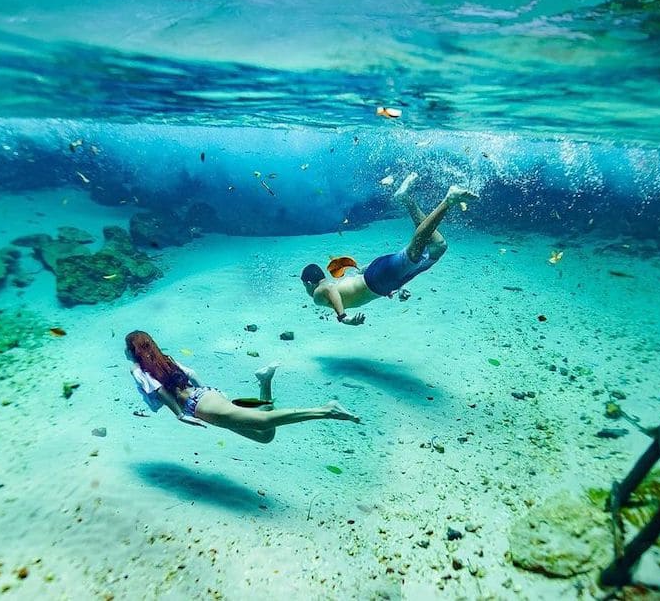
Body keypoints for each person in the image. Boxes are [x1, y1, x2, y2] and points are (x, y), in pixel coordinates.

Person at [124, 330, 359, 443]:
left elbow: (159, 390)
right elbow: (192, 374)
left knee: (264, 422)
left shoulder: (137, 370)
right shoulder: (165, 358)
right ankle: (265, 380)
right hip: (203, 398)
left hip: (199, 405)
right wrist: (208, 392)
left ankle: (327, 410)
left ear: (132, 350)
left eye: (127, 348)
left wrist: (179, 414)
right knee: (264, 436)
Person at [301, 176, 477, 325]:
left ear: (309, 283)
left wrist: (343, 317)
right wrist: (397, 287)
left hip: (376, 279)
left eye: (305, 286)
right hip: (381, 280)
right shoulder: (334, 285)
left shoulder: (319, 292)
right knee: (438, 246)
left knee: (415, 249)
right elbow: (360, 272)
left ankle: (449, 200)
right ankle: (406, 199)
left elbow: (330, 291)